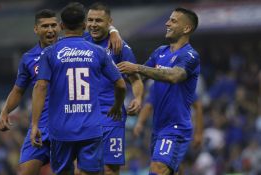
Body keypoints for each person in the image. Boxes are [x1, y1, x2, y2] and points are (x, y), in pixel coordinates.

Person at [30, 2, 126, 175]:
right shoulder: (99, 52)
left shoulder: (50, 53)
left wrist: (35, 124)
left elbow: (41, 86)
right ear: (84, 25)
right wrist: (117, 106)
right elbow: (120, 84)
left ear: (61, 26)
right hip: (91, 128)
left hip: (60, 130)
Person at [117, 7, 200, 175]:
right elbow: (138, 78)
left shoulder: (190, 56)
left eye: (173, 21)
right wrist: (138, 96)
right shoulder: (160, 52)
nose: (167, 23)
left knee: (157, 169)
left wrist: (137, 67)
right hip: (158, 127)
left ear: (187, 28)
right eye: (169, 19)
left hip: (175, 127)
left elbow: (174, 76)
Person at [0, 9, 60, 175]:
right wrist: (5, 111)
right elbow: (18, 90)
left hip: (65, 123)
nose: (50, 30)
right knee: (25, 171)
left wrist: (113, 32)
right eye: (45, 26)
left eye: (54, 25)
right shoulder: (28, 58)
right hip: (40, 126)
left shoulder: (70, 51)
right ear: (36, 29)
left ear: (60, 27)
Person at [85, 3, 144, 175]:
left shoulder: (120, 48)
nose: (93, 24)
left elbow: (136, 80)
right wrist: (113, 30)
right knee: (83, 168)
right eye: (90, 20)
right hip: (85, 114)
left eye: (98, 20)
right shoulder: (81, 42)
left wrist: (138, 98)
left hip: (112, 115)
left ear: (109, 21)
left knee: (110, 168)